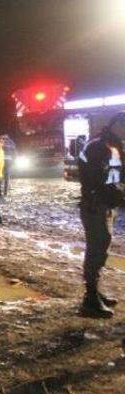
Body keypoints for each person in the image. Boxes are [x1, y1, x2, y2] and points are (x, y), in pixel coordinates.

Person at [78, 112, 125, 318]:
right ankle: (90, 300)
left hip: (105, 205)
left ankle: (95, 292)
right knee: (96, 249)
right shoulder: (98, 147)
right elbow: (98, 182)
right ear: (116, 125)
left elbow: (117, 176)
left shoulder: (113, 146)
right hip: (96, 206)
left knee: (102, 247)